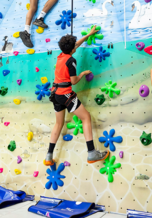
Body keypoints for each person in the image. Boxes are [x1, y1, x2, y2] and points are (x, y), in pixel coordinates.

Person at [44, 27, 109, 166]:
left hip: (55, 93)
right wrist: (83, 74)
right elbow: (73, 81)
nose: (76, 47)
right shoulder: (71, 60)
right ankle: (91, 153)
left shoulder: (61, 56)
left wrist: (89, 34)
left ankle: (48, 156)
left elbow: (75, 45)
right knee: (86, 117)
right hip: (65, 94)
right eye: (75, 46)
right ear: (72, 49)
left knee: (58, 123)